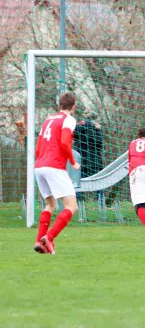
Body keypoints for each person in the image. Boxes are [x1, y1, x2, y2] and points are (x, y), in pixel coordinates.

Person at [33, 91, 81, 254]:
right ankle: (49, 238)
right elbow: (65, 142)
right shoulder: (69, 119)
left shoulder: (47, 120)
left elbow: (38, 147)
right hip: (54, 166)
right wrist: (73, 163)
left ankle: (39, 242)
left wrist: (40, 162)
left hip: (39, 165)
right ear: (74, 106)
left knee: (50, 204)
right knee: (71, 206)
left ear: (59, 105)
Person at [73, 110, 104, 201]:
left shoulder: (79, 128)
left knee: (78, 183)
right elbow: (99, 143)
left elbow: (74, 134)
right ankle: (100, 202)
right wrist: (92, 126)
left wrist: (85, 124)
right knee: (99, 183)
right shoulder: (97, 130)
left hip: (81, 161)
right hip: (94, 162)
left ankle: (78, 202)